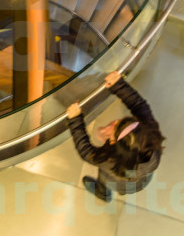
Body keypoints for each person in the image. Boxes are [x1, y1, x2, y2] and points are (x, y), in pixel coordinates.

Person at [65, 70, 165, 202]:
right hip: (141, 181)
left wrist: (75, 120)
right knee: (111, 178)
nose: (116, 122)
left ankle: (102, 193)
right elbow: (139, 106)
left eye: (115, 129)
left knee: (104, 179)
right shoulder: (152, 144)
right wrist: (119, 86)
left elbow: (85, 151)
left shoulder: (108, 162)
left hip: (115, 183)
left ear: (113, 144)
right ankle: (103, 190)